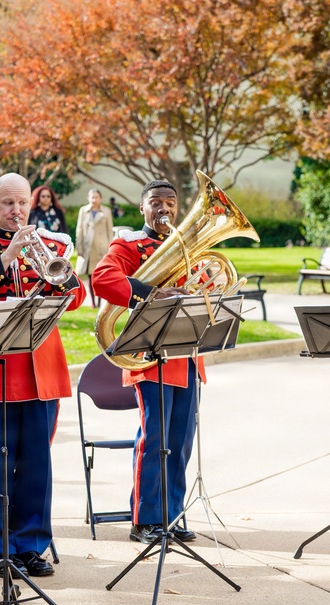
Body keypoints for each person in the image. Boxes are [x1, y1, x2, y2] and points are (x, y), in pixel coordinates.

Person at [0, 173, 85, 576]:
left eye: (22, 203)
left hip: (42, 372)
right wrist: (6, 258)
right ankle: (0, 548)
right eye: (8, 203)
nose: (16, 211)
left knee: (36, 467)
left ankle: (30, 545)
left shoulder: (54, 245)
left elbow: (77, 297)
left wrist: (50, 267)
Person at [91, 179, 203, 544]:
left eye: (171, 203)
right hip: (149, 358)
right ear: (143, 208)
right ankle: (145, 519)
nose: (165, 209)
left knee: (182, 441)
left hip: (187, 356)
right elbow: (102, 278)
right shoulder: (129, 245)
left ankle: (171, 516)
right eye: (156, 202)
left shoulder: (189, 246)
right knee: (154, 440)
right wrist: (152, 293)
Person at [75, 188, 114, 307]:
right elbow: (79, 229)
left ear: (100, 199)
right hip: (88, 248)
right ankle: (93, 302)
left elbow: (109, 231)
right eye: (92, 197)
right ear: (88, 198)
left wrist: (110, 248)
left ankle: (100, 301)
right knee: (91, 277)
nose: (94, 200)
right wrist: (79, 247)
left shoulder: (106, 211)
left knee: (101, 277)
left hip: (102, 248)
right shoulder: (83, 211)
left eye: (96, 197)